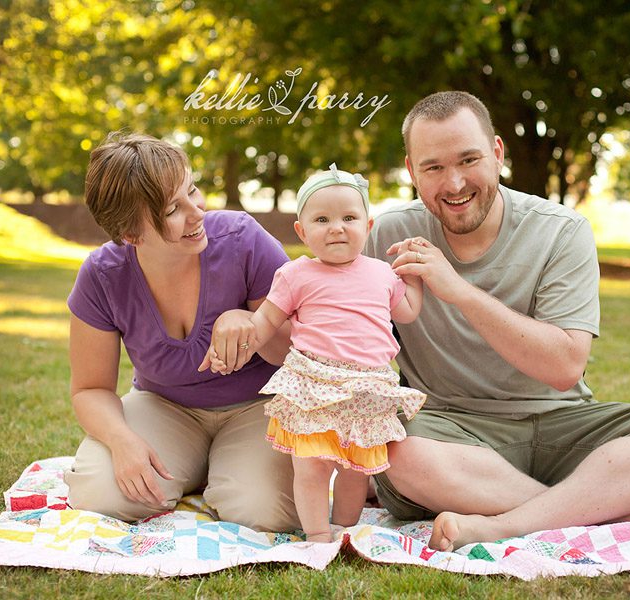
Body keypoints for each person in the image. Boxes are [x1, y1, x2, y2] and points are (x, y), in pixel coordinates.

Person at [364, 91, 630, 552]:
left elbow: (564, 368)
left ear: (497, 153)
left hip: (562, 426)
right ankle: (599, 513)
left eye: (468, 160)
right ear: (412, 171)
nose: (454, 183)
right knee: (396, 447)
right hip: (450, 435)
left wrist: (457, 290)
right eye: (433, 168)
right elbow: (328, 317)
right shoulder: (387, 236)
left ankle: (506, 522)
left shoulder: (561, 230)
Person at [64, 132, 299, 532]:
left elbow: (300, 353)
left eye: (192, 191)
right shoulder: (103, 276)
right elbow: (90, 389)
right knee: (98, 493)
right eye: (174, 208)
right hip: (165, 407)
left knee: (264, 509)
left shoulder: (243, 241)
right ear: (131, 234)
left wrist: (252, 324)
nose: (197, 213)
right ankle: (205, 466)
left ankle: (227, 468)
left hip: (261, 405)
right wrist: (122, 441)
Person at [200, 164, 425, 542]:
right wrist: (234, 345)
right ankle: (318, 534)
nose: (337, 227)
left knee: (356, 470)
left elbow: (410, 311)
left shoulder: (382, 274)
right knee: (311, 468)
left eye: (349, 218)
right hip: (313, 387)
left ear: (367, 228)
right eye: (322, 219)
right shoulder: (296, 275)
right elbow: (264, 325)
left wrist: (414, 276)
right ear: (302, 232)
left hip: (366, 389)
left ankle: (346, 528)